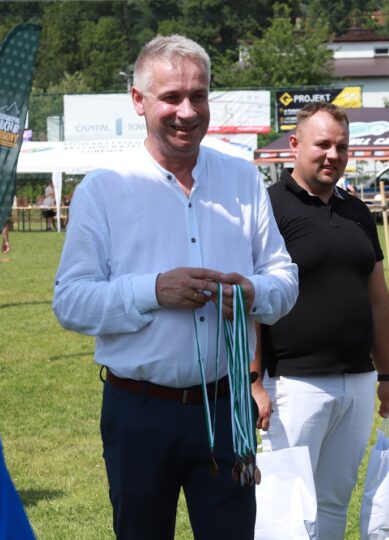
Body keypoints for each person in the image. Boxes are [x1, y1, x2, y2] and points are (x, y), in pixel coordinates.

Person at [52, 35, 298, 540]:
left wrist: (252, 293)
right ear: (139, 101)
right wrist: (151, 291)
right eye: (171, 97)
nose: (187, 111)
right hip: (139, 410)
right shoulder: (105, 187)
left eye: (198, 95)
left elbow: (285, 279)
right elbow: (70, 300)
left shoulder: (241, 179)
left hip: (228, 405)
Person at [254, 102, 389, 540]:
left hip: (357, 382)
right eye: (322, 145)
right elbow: (252, 303)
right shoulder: (268, 208)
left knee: (335, 501)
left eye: (341, 146)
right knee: (287, 513)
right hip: (292, 386)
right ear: (295, 145)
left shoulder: (357, 211)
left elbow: (379, 300)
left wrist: (387, 374)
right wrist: (253, 381)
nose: (332, 155)